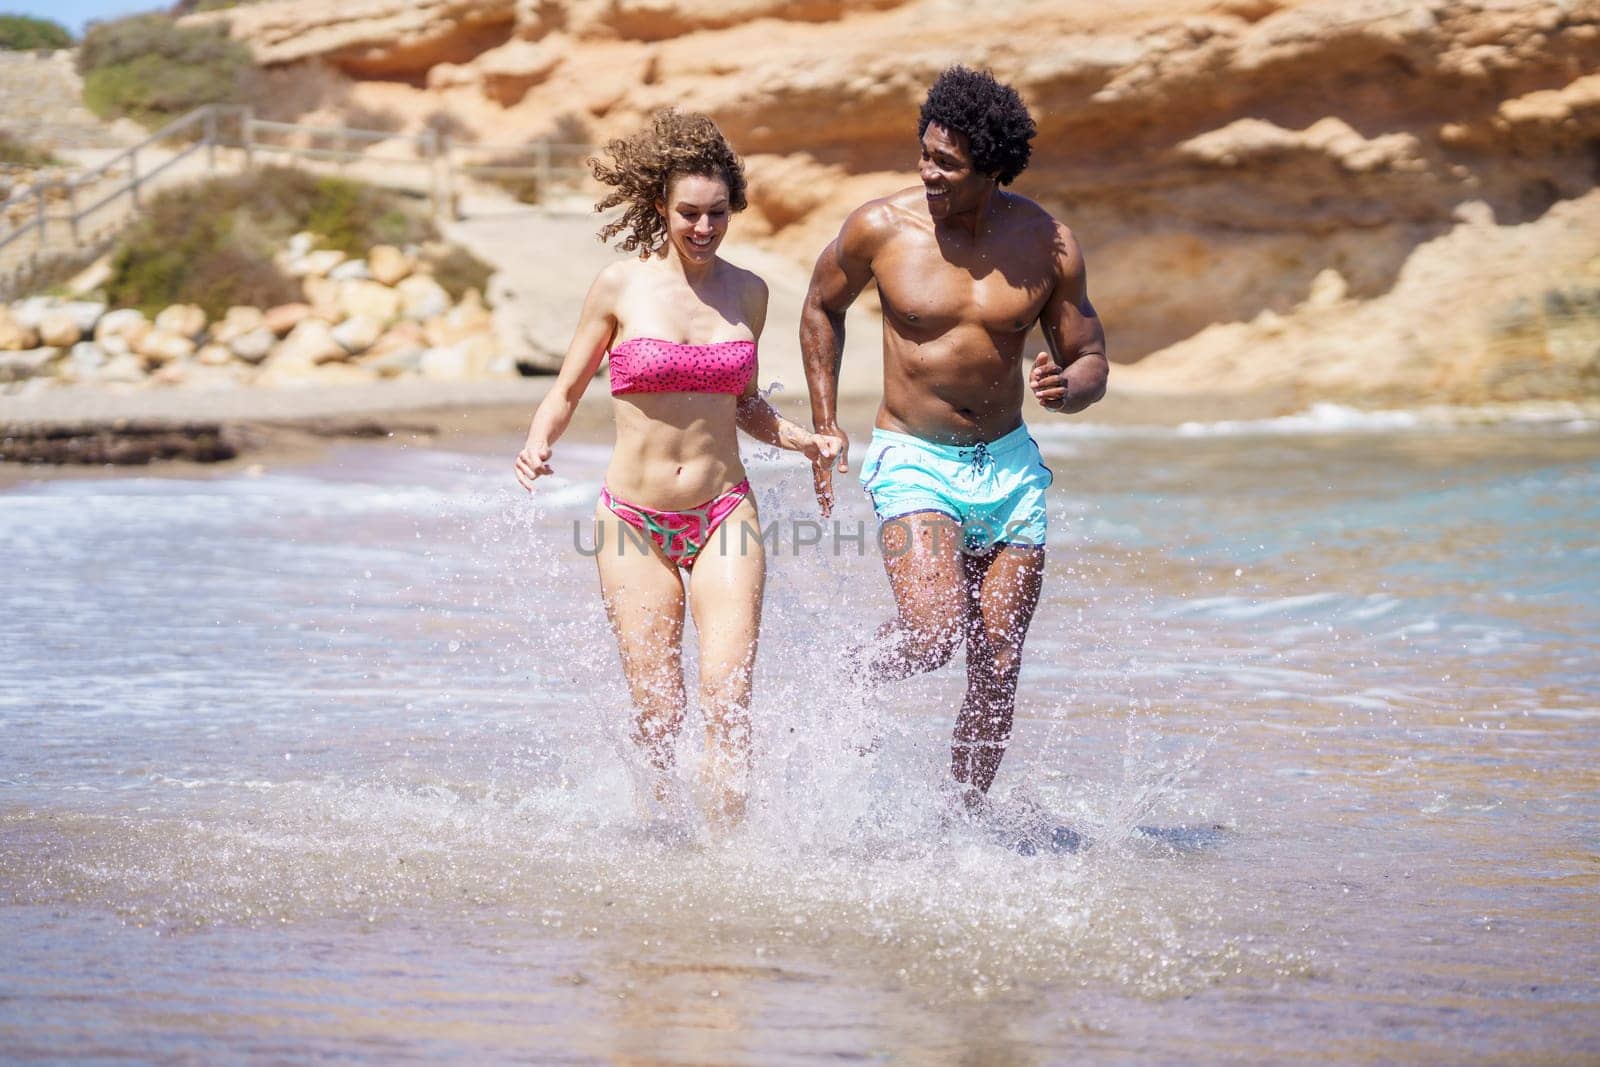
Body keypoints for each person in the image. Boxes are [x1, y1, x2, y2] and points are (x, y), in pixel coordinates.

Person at [515, 109, 842, 830]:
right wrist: (540, 441)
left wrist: (803, 440)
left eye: (717, 214)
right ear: (658, 207)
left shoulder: (750, 293)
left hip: (725, 510)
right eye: (688, 213)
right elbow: (567, 388)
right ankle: (659, 837)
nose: (703, 227)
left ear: (734, 209)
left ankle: (726, 854)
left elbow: (744, 404)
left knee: (728, 699)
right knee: (660, 710)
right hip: (632, 520)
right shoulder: (619, 286)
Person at [800, 67, 1109, 809]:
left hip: (1008, 469)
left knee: (997, 660)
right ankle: (851, 677)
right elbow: (820, 308)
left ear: (995, 169)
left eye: (948, 162)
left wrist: (1073, 388)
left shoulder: (1047, 244)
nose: (927, 170)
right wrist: (824, 421)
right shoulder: (881, 228)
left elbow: (1092, 354)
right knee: (933, 631)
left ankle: (962, 823)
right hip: (915, 459)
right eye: (926, 152)